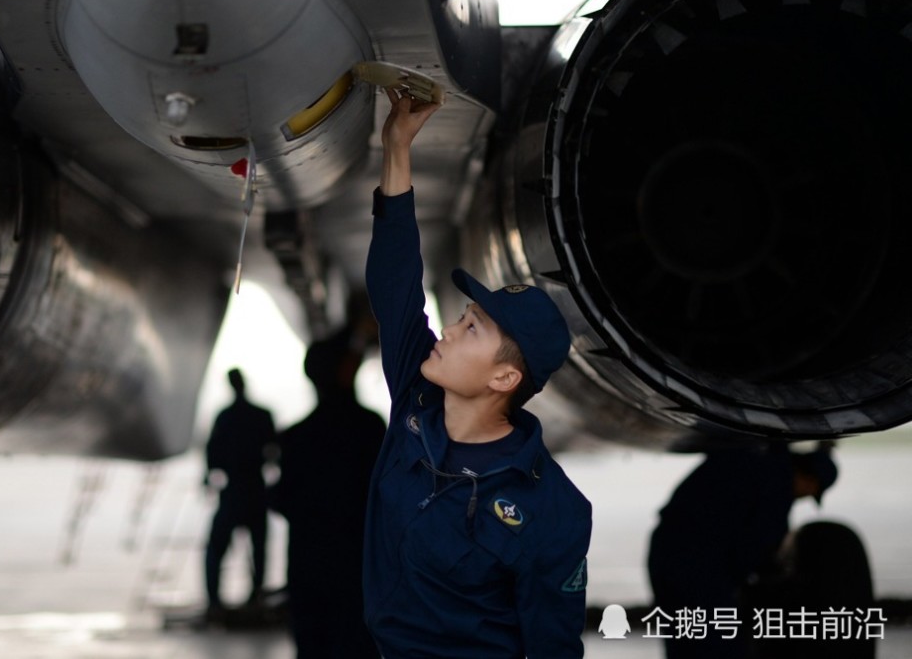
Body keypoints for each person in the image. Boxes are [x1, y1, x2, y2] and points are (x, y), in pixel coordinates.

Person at [362, 88, 593, 658]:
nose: (447, 330)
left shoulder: (552, 509)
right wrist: (397, 148)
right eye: (461, 317)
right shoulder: (415, 405)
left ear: (503, 379)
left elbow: (554, 646)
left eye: (471, 330)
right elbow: (396, 287)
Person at [647, 444, 838, 658]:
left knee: (683, 637)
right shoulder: (778, 484)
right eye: (810, 493)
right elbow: (757, 549)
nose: (802, 498)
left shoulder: (751, 454)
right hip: (697, 566)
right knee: (722, 645)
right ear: (809, 480)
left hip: (664, 550)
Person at [272, 324, 385, 659]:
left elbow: (283, 499)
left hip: (309, 571)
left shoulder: (295, 436)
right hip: (358, 572)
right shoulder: (370, 428)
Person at [202, 368, 277, 619]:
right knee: (259, 548)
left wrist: (210, 477)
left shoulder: (225, 416)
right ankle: (255, 595)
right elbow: (274, 451)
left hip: (234, 490)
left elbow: (212, 452)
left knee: (216, 548)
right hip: (255, 489)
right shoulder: (262, 415)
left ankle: (214, 600)